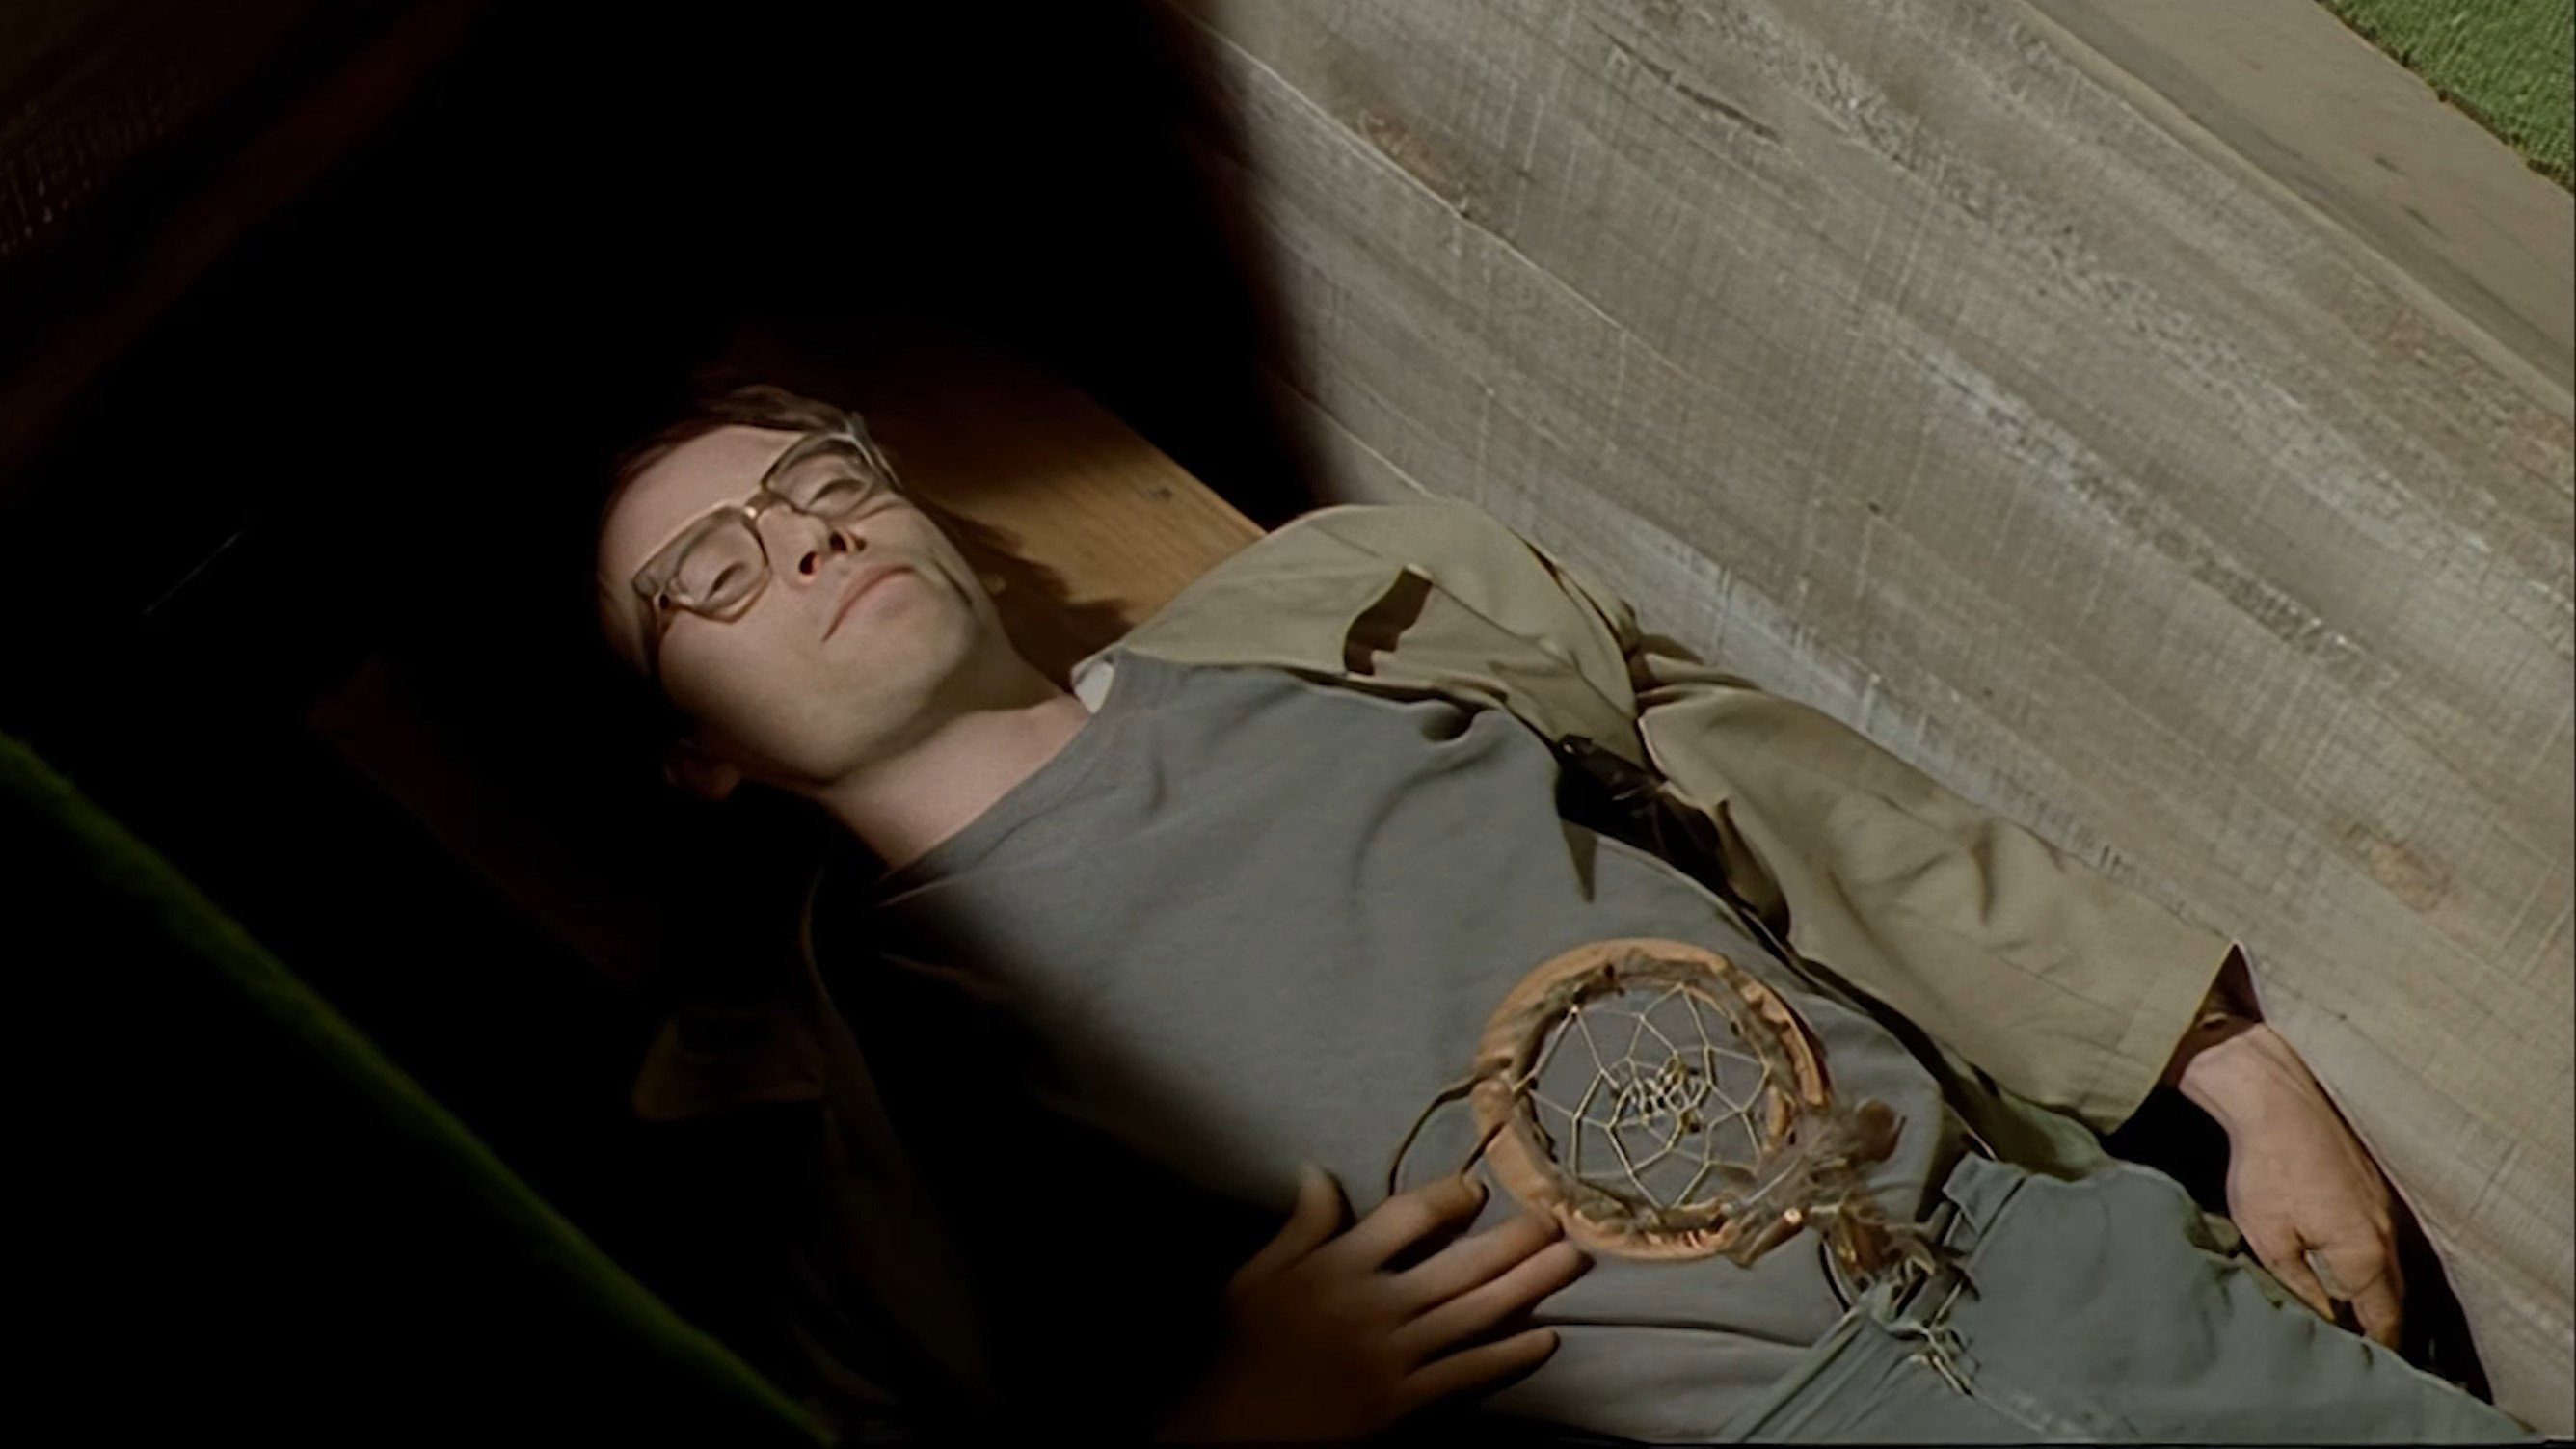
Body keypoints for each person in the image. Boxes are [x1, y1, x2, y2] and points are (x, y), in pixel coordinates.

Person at [593, 384, 2534, 1443]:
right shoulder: (884, 1099)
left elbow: (1821, 818)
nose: (809, 534)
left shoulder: (1360, 617)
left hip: (2055, 1264)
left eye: (822, 475)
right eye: (713, 571)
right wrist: (1224, 1424)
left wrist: (2232, 1064)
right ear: (700, 755)